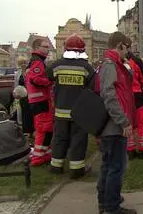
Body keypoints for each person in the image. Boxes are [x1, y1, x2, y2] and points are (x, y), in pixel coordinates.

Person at [97, 32, 137, 214]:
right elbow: (109, 96)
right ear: (120, 45)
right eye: (127, 47)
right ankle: (112, 206)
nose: (128, 52)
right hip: (114, 126)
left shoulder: (114, 64)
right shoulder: (110, 65)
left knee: (109, 164)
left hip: (111, 125)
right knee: (116, 166)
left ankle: (106, 199)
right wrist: (123, 121)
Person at [48, 34, 94, 179]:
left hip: (61, 112)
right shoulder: (87, 67)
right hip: (79, 113)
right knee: (78, 140)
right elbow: (93, 87)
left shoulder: (57, 65)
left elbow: (47, 78)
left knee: (59, 138)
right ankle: (77, 169)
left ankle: (56, 166)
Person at [25, 38, 53, 166]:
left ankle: (44, 153)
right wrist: (49, 82)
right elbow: (35, 79)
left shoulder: (35, 61)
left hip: (37, 100)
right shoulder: (38, 62)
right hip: (40, 100)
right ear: (37, 48)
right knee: (43, 128)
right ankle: (38, 157)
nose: (48, 49)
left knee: (45, 128)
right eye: (45, 47)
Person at [126, 42, 143, 159]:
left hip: (125, 95)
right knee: (141, 123)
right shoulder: (136, 61)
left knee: (128, 123)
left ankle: (130, 150)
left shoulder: (116, 61)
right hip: (137, 94)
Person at [14, 57, 34, 135]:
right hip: (22, 96)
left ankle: (31, 130)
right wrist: (15, 93)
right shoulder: (17, 74)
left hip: (30, 95)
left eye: (24, 63)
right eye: (21, 63)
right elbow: (15, 84)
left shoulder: (29, 71)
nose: (23, 65)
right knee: (23, 113)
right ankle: (25, 131)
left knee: (30, 113)